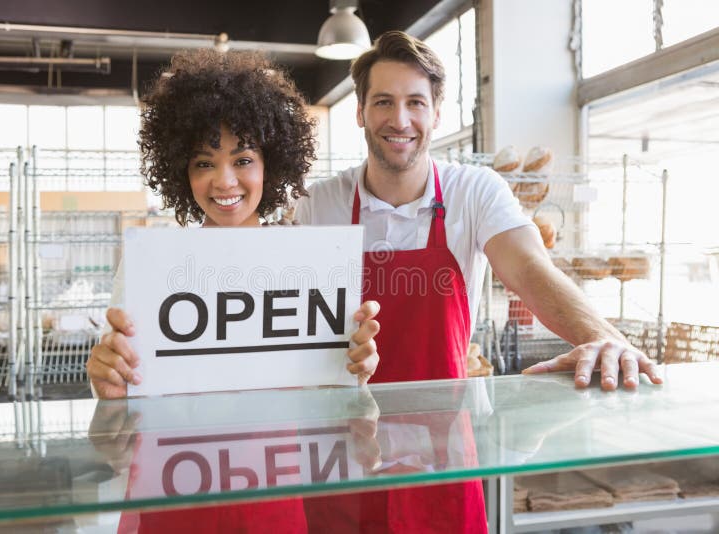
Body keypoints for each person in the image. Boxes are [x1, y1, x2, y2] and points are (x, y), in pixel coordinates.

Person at [295, 30, 663, 533]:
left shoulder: (474, 191)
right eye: (383, 102)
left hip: (445, 453)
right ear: (360, 111)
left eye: (414, 103)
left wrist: (607, 341)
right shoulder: (322, 205)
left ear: (436, 114)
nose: (399, 120)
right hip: (346, 451)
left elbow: (531, 270)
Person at [86, 49, 380, 533]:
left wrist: (358, 372)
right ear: (182, 170)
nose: (224, 181)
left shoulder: (307, 270)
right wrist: (105, 382)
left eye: (243, 159)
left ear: (272, 164)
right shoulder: (151, 268)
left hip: (273, 499)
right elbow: (113, 431)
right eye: (204, 162)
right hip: (170, 498)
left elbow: (343, 423)